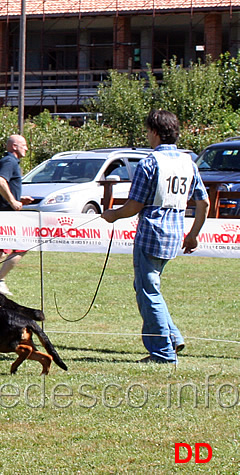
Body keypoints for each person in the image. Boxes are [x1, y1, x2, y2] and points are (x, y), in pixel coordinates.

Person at [102, 109, 209, 364]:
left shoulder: (150, 163)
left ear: (155, 132)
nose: (147, 136)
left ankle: (162, 353)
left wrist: (113, 215)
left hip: (151, 235)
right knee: (149, 288)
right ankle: (172, 337)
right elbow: (203, 203)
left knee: (147, 292)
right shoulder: (188, 163)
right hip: (174, 235)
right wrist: (193, 235)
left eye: (148, 131)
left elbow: (134, 206)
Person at [0, 135, 34, 296]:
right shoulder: (9, 161)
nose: (26, 148)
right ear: (14, 146)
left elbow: (4, 184)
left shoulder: (10, 161)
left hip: (4, 213)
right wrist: (12, 201)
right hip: (6, 215)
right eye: (24, 145)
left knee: (0, 252)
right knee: (23, 246)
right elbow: (0, 182)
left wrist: (18, 199)